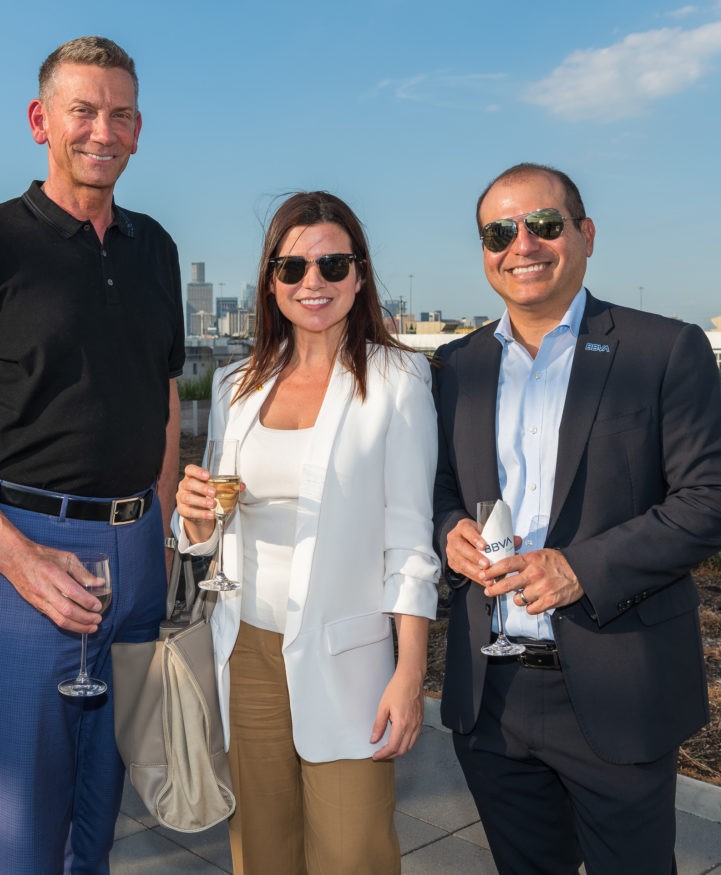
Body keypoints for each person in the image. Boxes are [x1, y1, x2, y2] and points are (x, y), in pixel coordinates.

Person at [0, 37, 183, 872]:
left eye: (120, 114)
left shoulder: (154, 248)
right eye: (82, 110)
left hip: (137, 553)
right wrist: (15, 558)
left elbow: (164, 400)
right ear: (39, 120)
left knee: (102, 807)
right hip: (23, 548)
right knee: (26, 821)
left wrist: (155, 532)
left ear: (137, 129)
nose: (102, 130)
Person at [432, 163, 721, 873]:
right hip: (493, 696)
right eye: (499, 231)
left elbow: (719, 496)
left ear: (586, 235)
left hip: (618, 688)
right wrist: (446, 526)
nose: (523, 244)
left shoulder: (662, 349)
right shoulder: (455, 366)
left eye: (544, 224)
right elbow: (442, 485)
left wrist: (582, 567)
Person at [175, 191, 440, 874]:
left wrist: (410, 671)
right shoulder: (238, 384)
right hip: (247, 648)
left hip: (348, 655)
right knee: (262, 852)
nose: (311, 283)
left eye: (331, 264)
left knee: (355, 853)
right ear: (271, 281)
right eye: (292, 268)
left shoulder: (399, 379)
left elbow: (410, 543)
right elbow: (205, 529)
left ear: (359, 274)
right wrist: (194, 515)